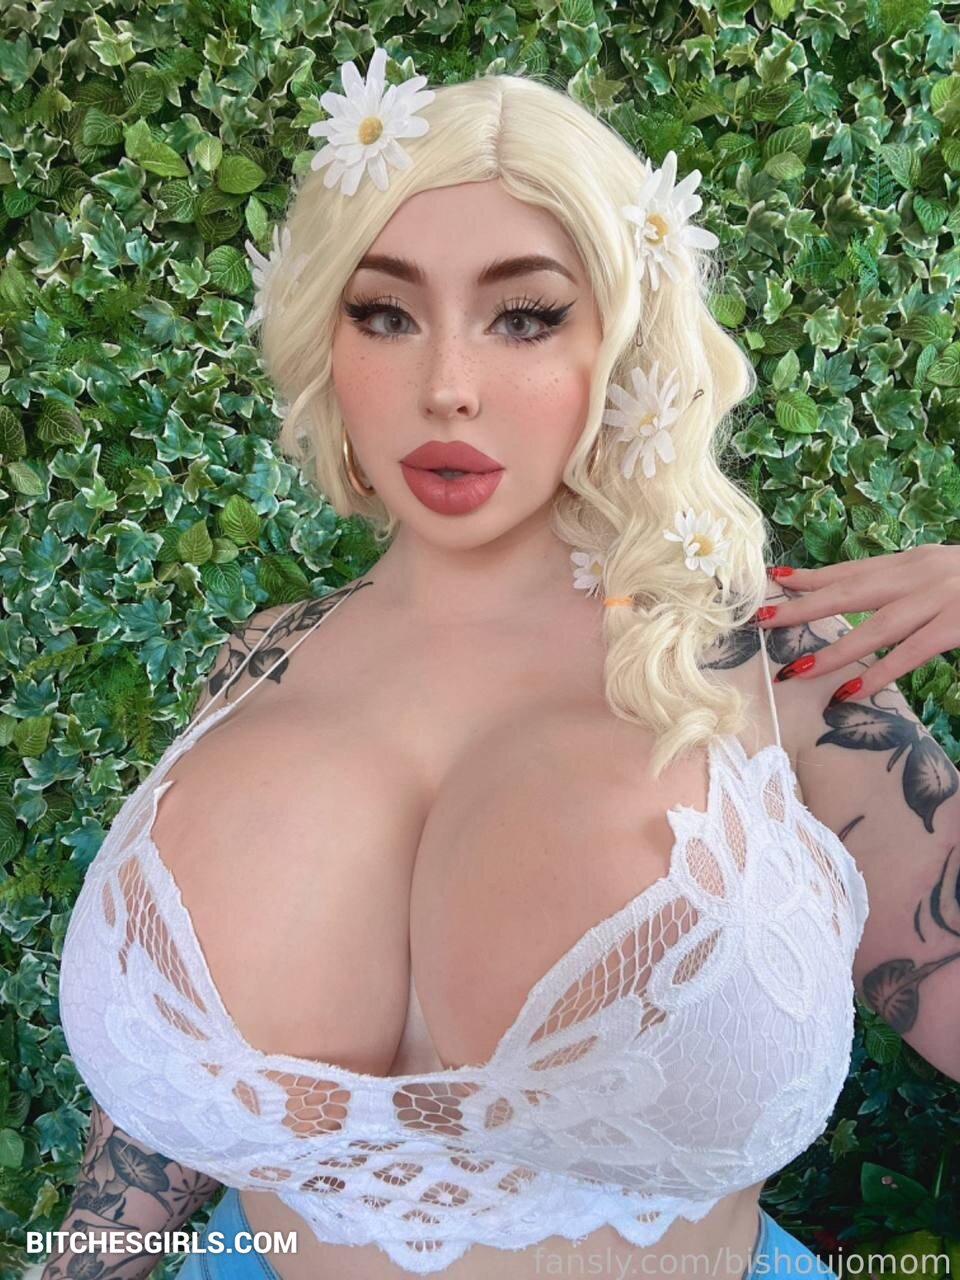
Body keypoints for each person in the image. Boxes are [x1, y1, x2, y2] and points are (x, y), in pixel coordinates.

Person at [46, 49, 871, 1280]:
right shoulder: (257, 664)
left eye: (525, 315)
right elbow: (163, 1117)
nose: (446, 388)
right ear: (325, 338)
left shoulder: (771, 657)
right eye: (385, 313)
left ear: (626, 341)